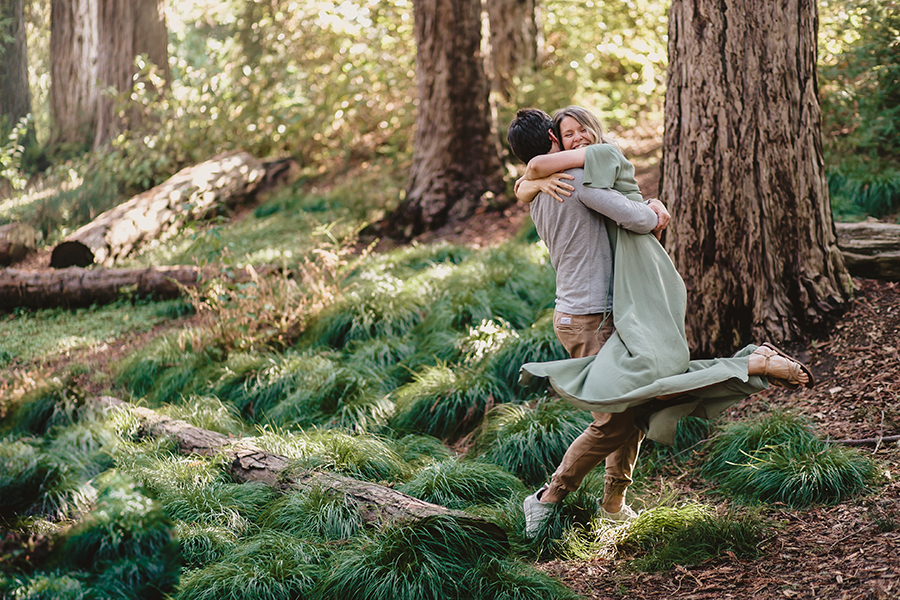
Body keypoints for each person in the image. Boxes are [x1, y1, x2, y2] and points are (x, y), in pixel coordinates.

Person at [506, 107, 814, 538]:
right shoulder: (576, 181)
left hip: (591, 314)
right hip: (591, 320)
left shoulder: (539, 187)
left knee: (635, 404)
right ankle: (547, 497)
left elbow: (530, 180)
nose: (575, 141)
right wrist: (653, 205)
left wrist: (529, 180)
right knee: (615, 418)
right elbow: (643, 220)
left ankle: (613, 501)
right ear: (554, 143)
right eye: (566, 134)